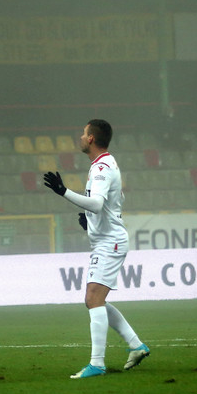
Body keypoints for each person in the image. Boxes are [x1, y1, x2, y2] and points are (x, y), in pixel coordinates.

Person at [43, 119, 149, 379]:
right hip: (107, 239)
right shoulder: (104, 165)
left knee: (93, 299)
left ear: (91, 139)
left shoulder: (102, 167)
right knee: (95, 300)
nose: (80, 136)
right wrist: (89, 224)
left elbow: (98, 204)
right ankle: (136, 345)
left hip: (110, 242)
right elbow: (111, 205)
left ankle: (97, 364)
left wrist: (63, 191)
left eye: (83, 133)